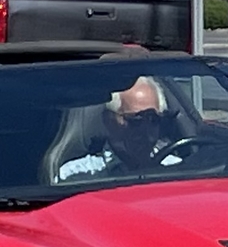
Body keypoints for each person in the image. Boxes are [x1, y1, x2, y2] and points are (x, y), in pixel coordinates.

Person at [53, 74, 193, 183]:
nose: (145, 130)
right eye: (135, 120)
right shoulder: (76, 176)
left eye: (153, 119)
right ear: (109, 121)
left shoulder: (178, 170)